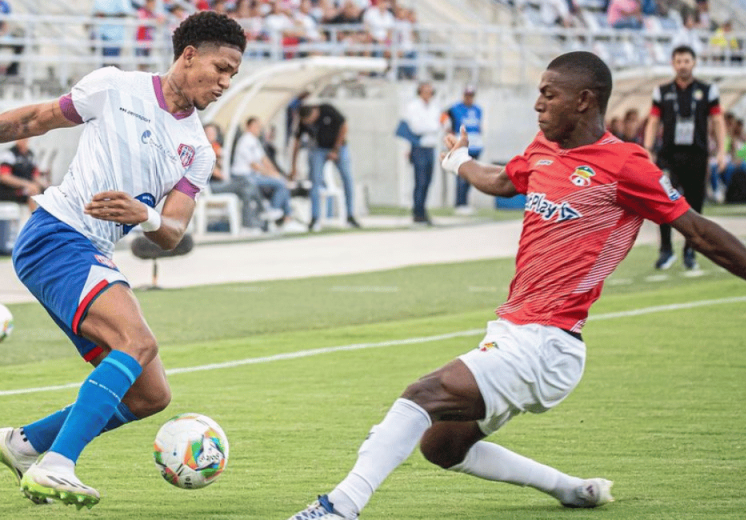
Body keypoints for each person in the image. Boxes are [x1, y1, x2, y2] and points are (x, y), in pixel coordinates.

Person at [287, 50, 746, 520]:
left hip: (550, 343)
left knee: (422, 395)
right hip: (513, 332)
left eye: (549, 94)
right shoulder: (542, 151)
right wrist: (459, 161)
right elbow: (504, 181)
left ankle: (338, 508)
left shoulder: (625, 164)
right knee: (441, 447)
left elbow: (697, 229)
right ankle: (571, 490)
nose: (538, 104)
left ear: (584, 100)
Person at [0, 11, 245, 509]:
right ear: (188, 56)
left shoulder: (197, 150)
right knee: (137, 340)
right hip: (56, 234)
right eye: (221, 67)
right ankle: (58, 465)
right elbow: (32, 120)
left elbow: (171, 233)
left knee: (152, 396)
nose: (225, 82)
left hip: (89, 252)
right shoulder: (114, 87)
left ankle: (24, 445)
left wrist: (143, 214)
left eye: (234, 74)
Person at [644, 45, 726, 270]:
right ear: (673, 64)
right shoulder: (661, 91)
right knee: (663, 203)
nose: (682, 65)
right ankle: (666, 251)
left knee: (694, 206)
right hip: (668, 156)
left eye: (686, 61)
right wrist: (648, 149)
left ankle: (690, 252)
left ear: (694, 62)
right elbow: (653, 121)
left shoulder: (708, 90)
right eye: (678, 61)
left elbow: (718, 121)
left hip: (697, 154)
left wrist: (720, 151)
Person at [291, 103, 360, 231]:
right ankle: (314, 218)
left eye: (310, 121)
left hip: (339, 147)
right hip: (319, 149)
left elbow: (344, 126)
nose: (309, 124)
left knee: (347, 179)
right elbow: (296, 143)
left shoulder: (327, 110)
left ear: (314, 113)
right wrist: (293, 166)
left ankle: (350, 215)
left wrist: (336, 149)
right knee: (315, 181)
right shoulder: (302, 122)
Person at [231, 116, 294, 228]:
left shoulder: (254, 141)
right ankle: (278, 213)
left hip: (253, 176)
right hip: (244, 177)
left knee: (281, 181)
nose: (259, 129)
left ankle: (279, 214)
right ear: (248, 127)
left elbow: (264, 160)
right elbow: (254, 165)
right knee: (281, 183)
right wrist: (272, 175)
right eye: (256, 126)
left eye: (259, 127)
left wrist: (276, 173)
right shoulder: (245, 141)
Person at [403, 82, 441, 225]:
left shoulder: (434, 106)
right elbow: (416, 127)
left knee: (428, 181)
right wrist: (431, 127)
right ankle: (417, 213)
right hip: (419, 146)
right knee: (420, 181)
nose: (428, 94)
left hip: (430, 146)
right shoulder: (413, 106)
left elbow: (438, 125)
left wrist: (431, 127)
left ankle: (423, 210)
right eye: (425, 91)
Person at [443, 84, 483, 215]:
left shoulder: (478, 110)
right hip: (462, 146)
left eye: (471, 96)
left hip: (475, 145)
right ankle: (459, 203)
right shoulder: (455, 108)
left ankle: (465, 203)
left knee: (471, 176)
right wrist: (448, 131)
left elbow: (478, 126)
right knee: (461, 176)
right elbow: (443, 116)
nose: (469, 98)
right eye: (467, 95)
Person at [0, 137, 48, 211]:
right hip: (10, 191)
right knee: (32, 191)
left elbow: (35, 176)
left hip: (26, 189)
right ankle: (33, 219)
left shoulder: (30, 155)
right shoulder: (9, 154)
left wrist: (47, 187)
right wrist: (27, 184)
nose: (23, 140)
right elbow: (4, 177)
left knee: (45, 192)